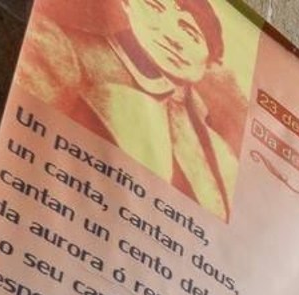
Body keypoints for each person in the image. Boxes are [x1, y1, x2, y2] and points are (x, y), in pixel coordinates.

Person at [19, 0, 245, 219]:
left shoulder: (218, 149)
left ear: (211, 60)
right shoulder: (62, 50)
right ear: (127, 6)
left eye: (189, 32)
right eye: (154, 7)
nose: (170, 36)